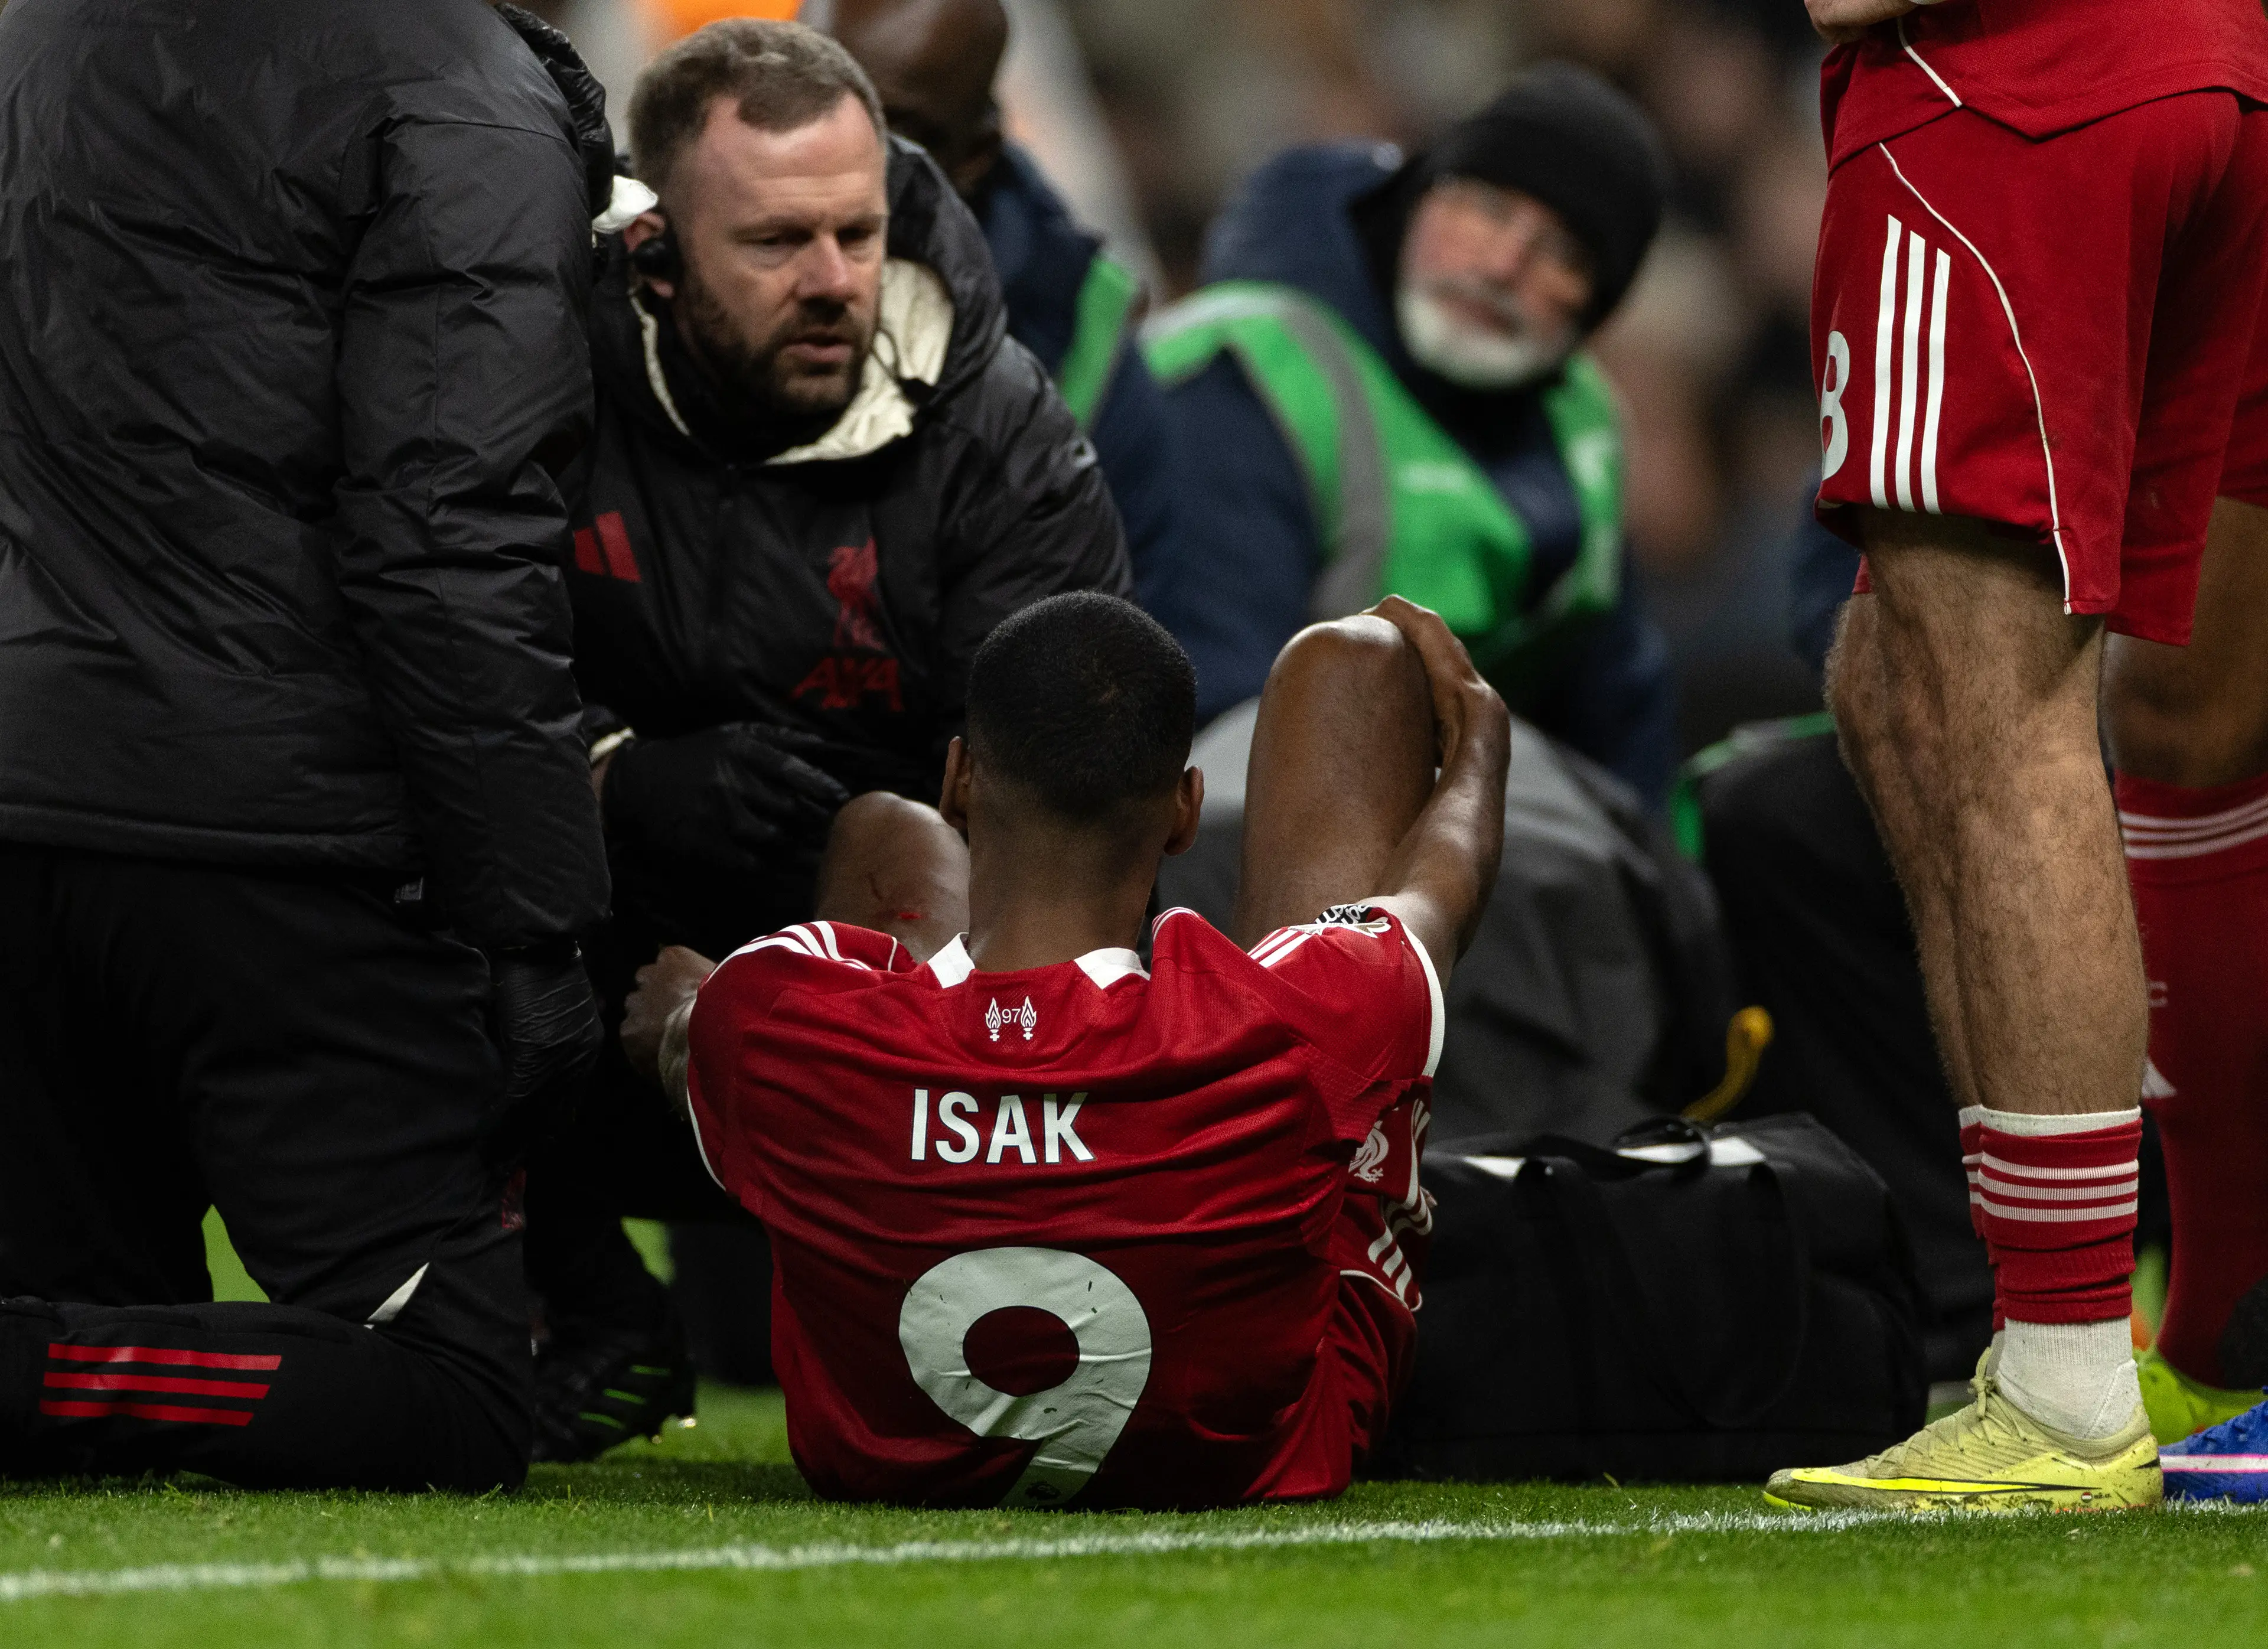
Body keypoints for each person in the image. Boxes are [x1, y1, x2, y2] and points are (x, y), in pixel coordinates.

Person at [0, 0, 614, 1489]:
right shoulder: (451, 85)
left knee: (99, 1371)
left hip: (26, 788)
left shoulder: (35, 36)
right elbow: (446, 532)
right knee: (463, 1385)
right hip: (264, 824)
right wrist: (536, 926)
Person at [527, 18, 1130, 1456]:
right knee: (394, 884)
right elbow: (425, 666)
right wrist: (613, 779)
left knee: (916, 844)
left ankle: (971, 1337)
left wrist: (798, 968)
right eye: (779, 242)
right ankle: (578, 1303)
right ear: (659, 249)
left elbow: (1078, 792)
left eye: (857, 234)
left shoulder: (998, 434)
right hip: (575, 920)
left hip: (884, 968)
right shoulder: (532, 370)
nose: (833, 283)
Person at [616, 591, 1507, 1507]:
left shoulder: (771, 1016)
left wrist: (692, 1006)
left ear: (961, 778)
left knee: (884, 833)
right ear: (1184, 811)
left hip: (887, 1453)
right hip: (1243, 1453)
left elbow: (672, 1023)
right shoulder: (1306, 1012)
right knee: (1356, 661)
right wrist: (1482, 736)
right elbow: (1442, 888)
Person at [1765, 0, 2268, 1512]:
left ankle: (2062, 1371)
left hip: (2008, 91)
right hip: (2207, 72)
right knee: (1921, 685)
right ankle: (2206, 1320)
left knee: (1991, 703)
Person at [1142, 65, 1677, 805]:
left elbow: (1620, 722)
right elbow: (1216, 729)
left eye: (1563, 251)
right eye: (1486, 207)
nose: (1503, 266)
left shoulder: (1584, 421)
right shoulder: (1244, 371)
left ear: (1597, 311)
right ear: (1417, 194)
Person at [830, 0, 1178, 601]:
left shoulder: (1085, 355)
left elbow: (1114, 646)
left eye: (889, 130)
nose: (826, 144)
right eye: (805, 90)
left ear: (974, 155)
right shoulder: (667, 248)